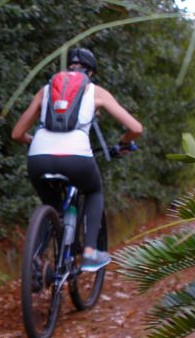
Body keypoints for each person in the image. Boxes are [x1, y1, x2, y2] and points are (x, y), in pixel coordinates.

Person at [10, 47, 143, 271]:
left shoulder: (46, 91)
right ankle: (90, 252)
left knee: (51, 204)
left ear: (68, 69)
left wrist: (38, 142)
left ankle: (35, 259)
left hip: (38, 157)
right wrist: (122, 144)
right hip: (77, 157)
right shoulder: (96, 92)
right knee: (94, 190)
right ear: (90, 73)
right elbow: (135, 128)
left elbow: (16, 134)